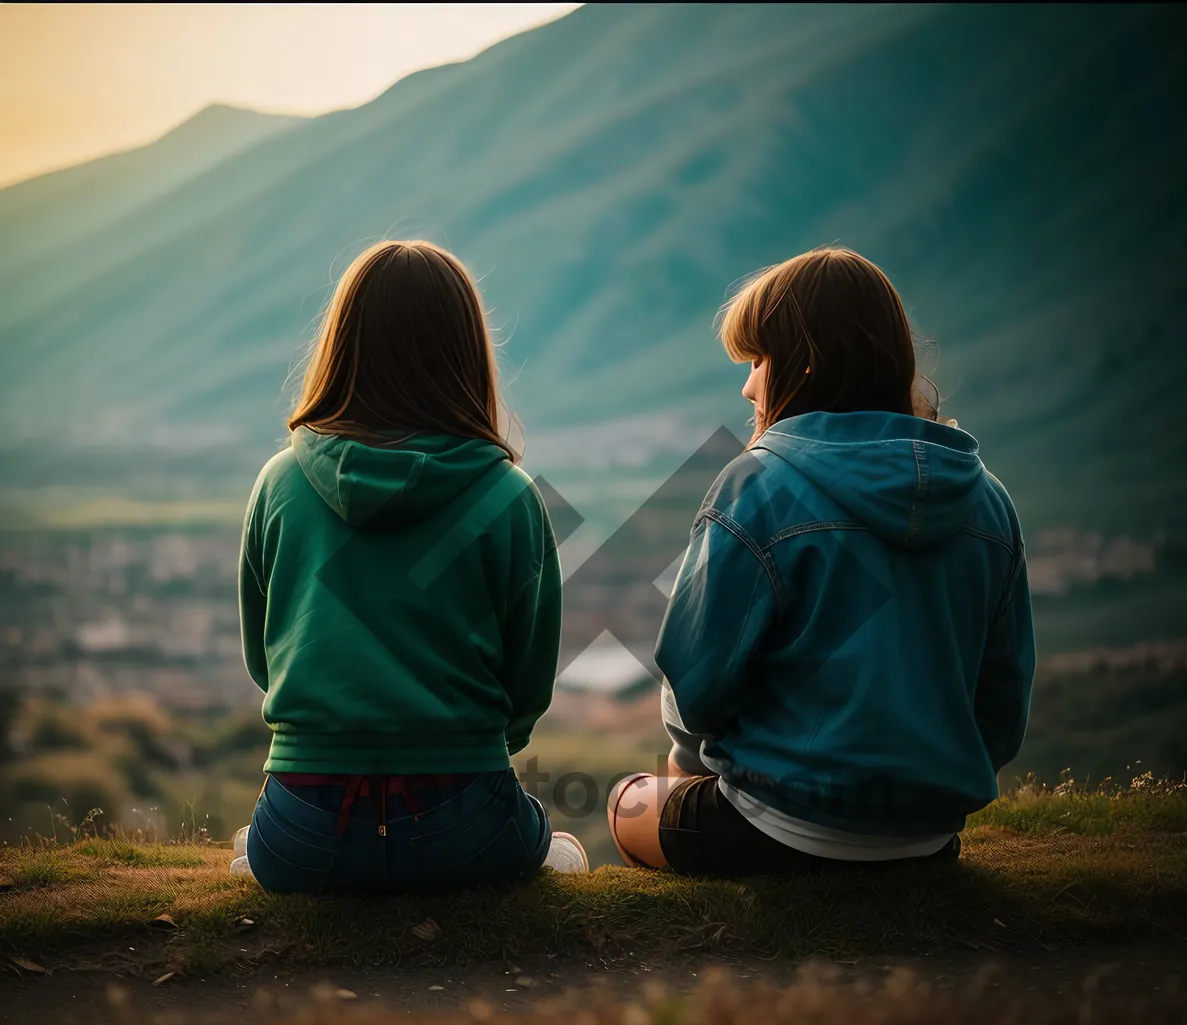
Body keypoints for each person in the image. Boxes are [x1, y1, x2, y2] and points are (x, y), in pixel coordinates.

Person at [607, 247, 1035, 876]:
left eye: (758, 359)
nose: (748, 384)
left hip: (776, 832)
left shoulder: (757, 485)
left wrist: (692, 767)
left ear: (804, 364)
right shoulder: (989, 501)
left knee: (627, 801)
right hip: (927, 841)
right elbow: (1002, 701)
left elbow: (696, 683)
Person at [230, 239, 588, 892]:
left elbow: (266, 656)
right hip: (467, 826)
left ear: (342, 346)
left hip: (302, 831)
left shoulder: (278, 484)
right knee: (552, 841)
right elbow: (528, 684)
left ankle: (266, 847)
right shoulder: (509, 496)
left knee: (273, 843)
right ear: (465, 353)